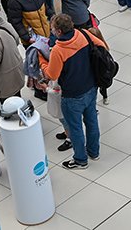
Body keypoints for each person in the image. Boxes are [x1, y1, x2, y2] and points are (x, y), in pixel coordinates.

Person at [39, 14, 101, 169]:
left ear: (59, 31)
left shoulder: (58, 50)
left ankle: (80, 160)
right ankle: (94, 152)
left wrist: (42, 62)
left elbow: (52, 75)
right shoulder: (83, 34)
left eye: (52, 29)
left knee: (75, 128)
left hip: (72, 95)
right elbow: (103, 47)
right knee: (92, 121)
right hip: (91, 87)